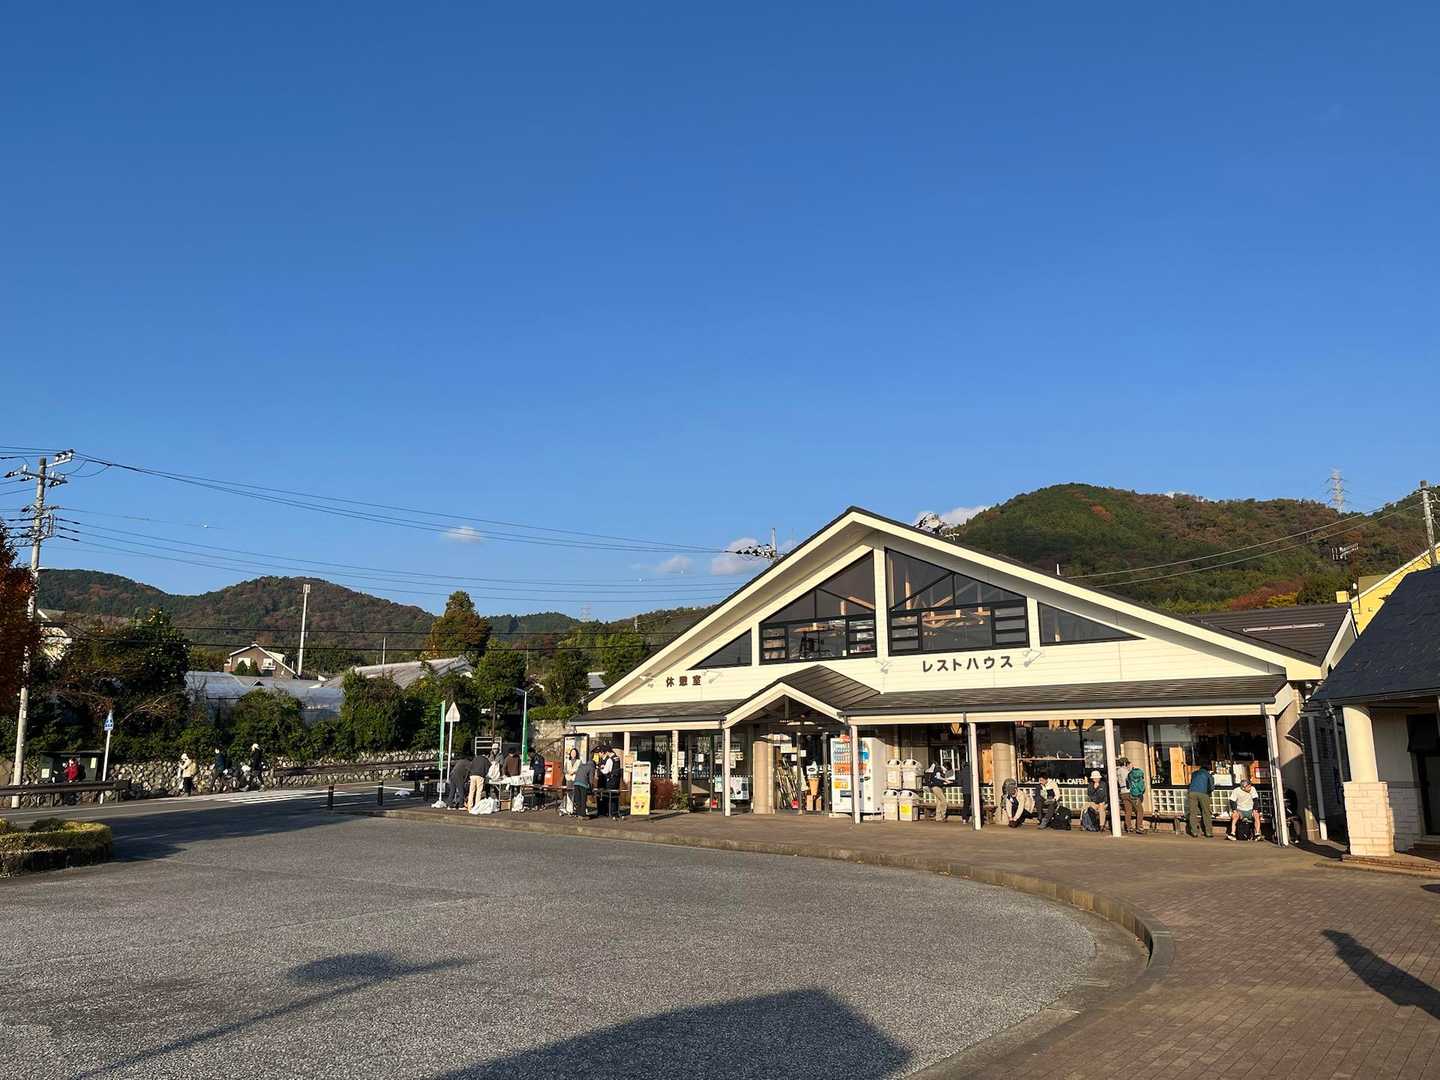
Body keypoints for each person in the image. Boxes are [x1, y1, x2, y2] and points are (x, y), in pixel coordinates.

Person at [1228, 777, 1264, 841]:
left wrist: (1255, 809)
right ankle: (1232, 833)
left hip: (1250, 810)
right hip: (1240, 810)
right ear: (1243, 787)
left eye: (1250, 786)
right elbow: (1232, 801)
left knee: (1256, 815)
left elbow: (1255, 800)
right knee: (1235, 816)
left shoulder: (1253, 789)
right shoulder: (1236, 790)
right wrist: (1234, 810)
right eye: (1248, 787)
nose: (1250, 788)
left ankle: (1257, 834)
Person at [1118, 758, 1146, 835]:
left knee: (1128, 811)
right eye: (1127, 763)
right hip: (1131, 793)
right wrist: (1131, 768)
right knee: (1140, 810)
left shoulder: (1118, 771)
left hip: (1123, 793)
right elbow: (1132, 778)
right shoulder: (1127, 771)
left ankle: (1129, 827)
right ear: (1125, 763)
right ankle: (1139, 827)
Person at [1187, 764, 1215, 838]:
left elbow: (1191, 782)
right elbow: (1211, 787)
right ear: (1208, 769)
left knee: (1193, 813)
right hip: (1203, 793)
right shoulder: (1208, 775)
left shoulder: (1194, 773)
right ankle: (1208, 832)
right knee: (1206, 813)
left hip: (1192, 792)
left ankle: (1194, 832)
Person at [600, 747, 623, 819]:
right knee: (615, 797)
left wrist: (601, 768)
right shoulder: (617, 758)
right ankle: (615, 812)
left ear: (607, 752)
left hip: (611, 780)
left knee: (610, 796)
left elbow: (606, 771)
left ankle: (611, 813)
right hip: (617, 781)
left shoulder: (610, 760)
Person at [571, 752, 595, 819]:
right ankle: (583, 815)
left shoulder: (582, 765)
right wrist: (591, 788)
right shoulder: (591, 767)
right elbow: (591, 779)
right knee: (583, 800)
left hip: (576, 783)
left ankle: (578, 814)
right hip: (583, 784)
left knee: (578, 800)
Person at [561, 748, 581, 815]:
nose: (573, 754)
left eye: (574, 753)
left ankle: (574, 808)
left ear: (576, 754)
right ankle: (568, 808)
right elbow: (564, 770)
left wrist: (574, 772)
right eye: (572, 753)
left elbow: (580, 769)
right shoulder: (567, 761)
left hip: (575, 779)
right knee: (568, 793)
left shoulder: (579, 761)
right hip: (568, 778)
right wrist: (568, 772)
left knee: (575, 793)